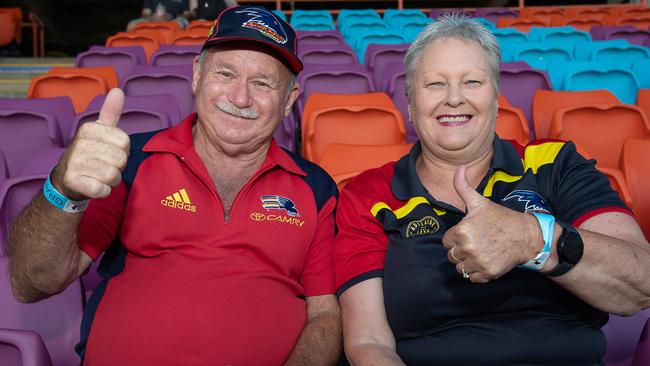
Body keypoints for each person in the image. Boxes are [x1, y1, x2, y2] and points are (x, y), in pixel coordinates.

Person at [9, 6, 341, 365]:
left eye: (262, 83)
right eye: (225, 73)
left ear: (290, 100)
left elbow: (324, 313)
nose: (240, 97)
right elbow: (33, 282)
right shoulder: (130, 160)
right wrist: (64, 190)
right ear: (197, 75)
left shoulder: (315, 188)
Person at [334, 14, 650, 366]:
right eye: (435, 84)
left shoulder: (554, 163)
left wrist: (534, 239)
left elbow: (640, 286)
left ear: (497, 96)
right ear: (409, 101)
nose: (454, 99)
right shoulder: (368, 194)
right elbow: (369, 342)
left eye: (472, 81)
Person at [126, 0, 191, 31]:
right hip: (152, 18)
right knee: (131, 25)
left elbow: (187, 13)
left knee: (180, 25)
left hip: (175, 18)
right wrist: (152, 17)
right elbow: (145, 12)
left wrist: (172, 16)